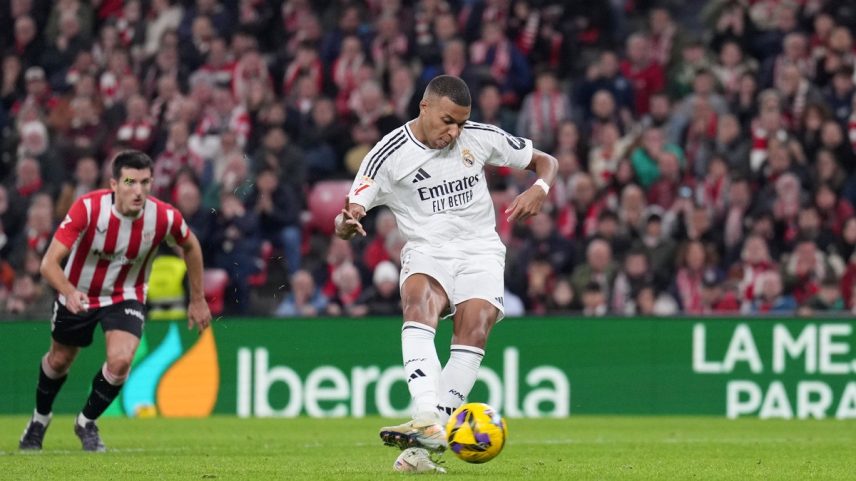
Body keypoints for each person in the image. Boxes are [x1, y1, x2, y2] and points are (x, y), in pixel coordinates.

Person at [334, 75, 557, 473]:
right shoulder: (387, 155)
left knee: (475, 328)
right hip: (428, 249)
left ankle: (420, 449)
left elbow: (547, 161)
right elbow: (350, 211)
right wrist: (347, 224)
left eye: (461, 123)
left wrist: (539, 187)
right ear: (425, 107)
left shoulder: (479, 137)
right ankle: (425, 416)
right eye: (448, 121)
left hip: (480, 250)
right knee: (419, 303)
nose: (454, 132)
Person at [19, 151, 212, 452]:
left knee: (121, 361)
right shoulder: (88, 209)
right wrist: (69, 291)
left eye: (145, 183)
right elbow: (48, 264)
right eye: (130, 182)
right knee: (59, 360)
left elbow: (191, 245)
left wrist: (198, 299)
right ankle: (39, 419)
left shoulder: (163, 216)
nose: (139, 191)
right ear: (114, 184)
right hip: (79, 292)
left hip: (126, 295)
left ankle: (86, 422)